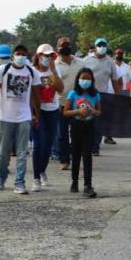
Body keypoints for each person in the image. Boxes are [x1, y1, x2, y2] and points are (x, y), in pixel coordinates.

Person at [0, 45, 42, 194]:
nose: (21, 57)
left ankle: (20, 183)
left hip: (24, 117)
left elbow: (36, 95)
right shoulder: (3, 70)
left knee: (22, 152)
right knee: (2, 152)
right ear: (13, 55)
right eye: (18, 54)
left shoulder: (32, 72)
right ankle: (0, 176)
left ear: (27, 56)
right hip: (5, 117)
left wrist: (37, 114)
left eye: (23, 54)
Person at [30, 44, 64, 192]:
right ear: (38, 56)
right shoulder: (32, 71)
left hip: (52, 110)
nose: (47, 58)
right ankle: (36, 177)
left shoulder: (54, 71)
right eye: (45, 55)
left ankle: (42, 171)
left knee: (48, 145)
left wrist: (54, 71)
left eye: (50, 56)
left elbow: (61, 89)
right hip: (38, 111)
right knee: (38, 144)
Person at [64, 68, 101, 198]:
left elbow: (99, 112)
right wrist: (78, 112)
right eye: (83, 78)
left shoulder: (95, 95)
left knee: (87, 154)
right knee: (75, 153)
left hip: (89, 125)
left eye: (88, 79)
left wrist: (92, 111)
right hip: (76, 125)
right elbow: (66, 112)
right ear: (78, 80)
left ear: (92, 80)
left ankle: (88, 184)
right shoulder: (73, 94)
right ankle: (74, 182)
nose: (85, 81)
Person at [83, 38, 120, 154]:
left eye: (104, 45)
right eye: (99, 45)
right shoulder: (87, 60)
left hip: (102, 95)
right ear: (95, 47)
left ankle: (95, 147)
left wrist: (117, 96)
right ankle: (86, 145)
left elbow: (114, 80)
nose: (102, 47)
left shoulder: (110, 62)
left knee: (99, 122)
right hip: (87, 95)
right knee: (86, 120)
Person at [55, 37, 84, 170]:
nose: (65, 47)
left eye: (67, 44)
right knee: (62, 134)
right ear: (57, 48)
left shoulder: (80, 63)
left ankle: (76, 158)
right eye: (62, 45)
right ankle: (64, 159)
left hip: (77, 104)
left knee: (77, 133)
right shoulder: (54, 65)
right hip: (60, 103)